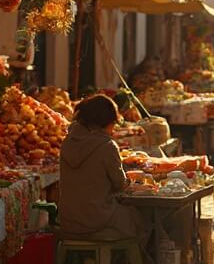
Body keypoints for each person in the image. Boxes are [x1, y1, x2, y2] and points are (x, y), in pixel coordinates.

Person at [59, 95, 149, 246]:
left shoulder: (68, 142)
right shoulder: (107, 146)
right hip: (97, 221)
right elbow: (119, 184)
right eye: (113, 124)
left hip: (68, 220)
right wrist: (131, 179)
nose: (113, 129)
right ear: (106, 122)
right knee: (141, 218)